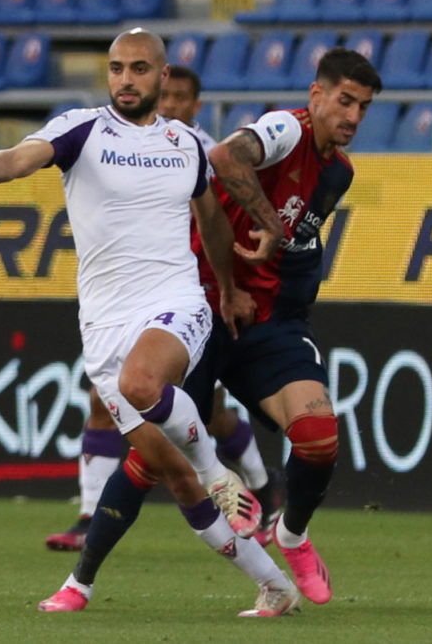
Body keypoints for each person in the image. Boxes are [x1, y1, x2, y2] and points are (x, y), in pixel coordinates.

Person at [0, 27, 298, 618]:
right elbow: (27, 154)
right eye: (117, 68)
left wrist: (223, 289)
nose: (125, 79)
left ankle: (217, 467)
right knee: (173, 474)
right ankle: (273, 583)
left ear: (163, 77)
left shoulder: (189, 142)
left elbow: (212, 224)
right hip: (103, 325)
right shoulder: (83, 129)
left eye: (139, 69)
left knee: (145, 387)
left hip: (176, 302)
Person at [64, 46, 382, 610]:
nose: (353, 116)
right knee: (150, 458)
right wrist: (263, 230)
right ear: (316, 96)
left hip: (265, 324)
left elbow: (294, 243)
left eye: (362, 106)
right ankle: (80, 581)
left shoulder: (339, 175)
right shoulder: (285, 129)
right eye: (344, 101)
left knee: (319, 437)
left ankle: (292, 535)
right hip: (199, 312)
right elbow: (229, 157)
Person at [44, 65, 284, 553]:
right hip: (133, 300)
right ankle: (90, 515)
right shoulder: (119, 143)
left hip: (189, 302)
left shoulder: (199, 150)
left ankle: (261, 486)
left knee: (210, 414)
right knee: (103, 401)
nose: (171, 104)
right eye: (167, 96)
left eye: (180, 97)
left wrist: (228, 288)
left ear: (195, 105)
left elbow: (220, 224)